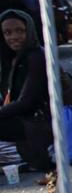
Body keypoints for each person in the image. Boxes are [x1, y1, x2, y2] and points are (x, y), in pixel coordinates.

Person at [0, 9, 52, 171]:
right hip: (30, 121)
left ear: (29, 31)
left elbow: (27, 102)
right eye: (7, 32)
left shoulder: (36, 57)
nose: (13, 37)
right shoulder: (14, 58)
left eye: (19, 31)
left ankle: (39, 155)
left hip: (42, 123)